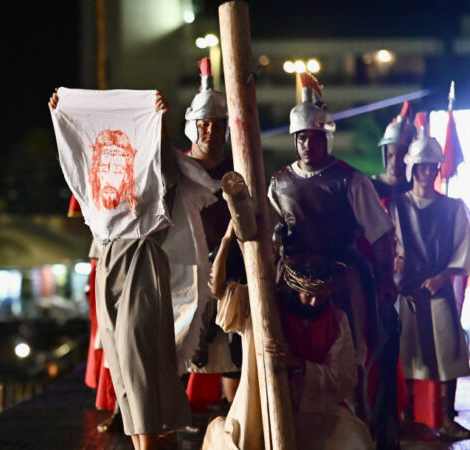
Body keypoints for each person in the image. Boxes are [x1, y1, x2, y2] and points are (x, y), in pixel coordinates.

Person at [50, 90, 197, 450]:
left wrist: (159, 125)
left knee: (139, 353)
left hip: (142, 255)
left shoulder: (147, 182)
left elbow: (166, 170)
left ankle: (154, 441)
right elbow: (75, 151)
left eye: (121, 161)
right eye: (107, 161)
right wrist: (62, 115)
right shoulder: (96, 185)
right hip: (106, 258)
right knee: (118, 358)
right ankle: (155, 439)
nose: (113, 168)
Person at [267, 73, 398, 445]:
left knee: (351, 350)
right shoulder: (279, 183)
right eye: (301, 137)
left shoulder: (351, 181)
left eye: (313, 136)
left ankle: (355, 427)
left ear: (326, 137)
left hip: (343, 277)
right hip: (293, 282)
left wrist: (386, 280)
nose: (307, 144)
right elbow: (269, 234)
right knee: (288, 352)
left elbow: (382, 235)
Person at [202, 223, 374, 450]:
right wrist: (227, 237)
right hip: (261, 408)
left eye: (321, 297)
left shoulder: (337, 320)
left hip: (312, 411)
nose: (314, 302)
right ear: (296, 288)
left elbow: (344, 376)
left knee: (356, 440)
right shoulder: (266, 308)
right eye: (309, 295)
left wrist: (300, 365)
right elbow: (218, 290)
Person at [387, 114, 470, 439]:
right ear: (412, 169)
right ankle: (407, 417)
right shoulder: (397, 206)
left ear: (438, 169)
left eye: (431, 166)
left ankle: (447, 418)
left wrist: (443, 276)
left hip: (438, 289)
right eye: (421, 165)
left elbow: (463, 247)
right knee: (408, 353)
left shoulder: (453, 208)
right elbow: (392, 245)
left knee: (447, 352)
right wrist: (396, 267)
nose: (426, 171)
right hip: (408, 290)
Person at [182, 57, 243, 410]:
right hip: (187, 273)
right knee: (181, 357)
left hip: (232, 275)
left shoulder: (237, 170)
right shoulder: (178, 168)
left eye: (218, 125)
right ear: (194, 126)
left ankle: (233, 430)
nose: (211, 131)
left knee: (232, 360)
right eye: (204, 124)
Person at [372, 101, 415, 204]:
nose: (394, 162)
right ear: (384, 154)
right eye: (390, 155)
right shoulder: (370, 187)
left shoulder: (414, 188)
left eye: (401, 156)